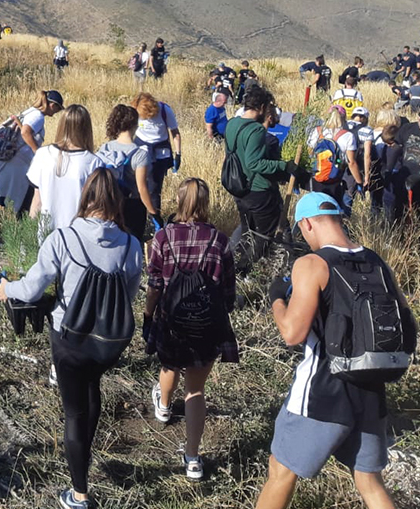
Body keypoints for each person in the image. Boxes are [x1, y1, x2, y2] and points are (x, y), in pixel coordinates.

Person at [253, 192, 415, 509]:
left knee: (280, 472)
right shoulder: (376, 262)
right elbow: (407, 323)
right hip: (371, 389)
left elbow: (292, 333)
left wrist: (276, 298)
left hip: (322, 392)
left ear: (307, 223)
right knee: (369, 482)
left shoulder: (311, 264)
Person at [0, 169, 143, 509]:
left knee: (74, 412)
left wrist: (7, 289)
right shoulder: (132, 246)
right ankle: (85, 456)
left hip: (68, 339)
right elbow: (128, 296)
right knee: (92, 393)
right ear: (117, 202)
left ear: (86, 197)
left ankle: (79, 494)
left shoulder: (62, 239)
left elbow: (32, 288)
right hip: (107, 344)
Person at [144, 179, 237, 481]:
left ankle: (164, 407)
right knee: (197, 389)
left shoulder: (163, 237)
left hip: (172, 321)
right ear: (206, 204)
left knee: (169, 365)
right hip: (206, 324)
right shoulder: (220, 240)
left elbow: (155, 285)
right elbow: (227, 291)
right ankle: (193, 458)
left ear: (179, 200)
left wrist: (148, 315)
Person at [224, 84, 296, 242]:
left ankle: (240, 262)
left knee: (246, 232)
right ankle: (256, 263)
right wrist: (284, 166)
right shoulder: (256, 130)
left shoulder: (232, 123)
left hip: (237, 186)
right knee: (265, 236)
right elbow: (254, 163)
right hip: (257, 189)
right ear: (262, 107)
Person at [27, 104, 102, 238]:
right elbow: (94, 206)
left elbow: (37, 200)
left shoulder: (43, 155)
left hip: (46, 235)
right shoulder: (93, 162)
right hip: (79, 236)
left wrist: (29, 238)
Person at [0, 90, 64, 216]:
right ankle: (1, 218)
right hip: (18, 162)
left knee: (8, 197)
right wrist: (38, 152)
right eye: (58, 108)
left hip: (13, 160)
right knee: (13, 202)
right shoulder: (38, 116)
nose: (57, 112)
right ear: (52, 105)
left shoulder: (31, 112)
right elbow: (25, 132)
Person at [96, 104, 159, 236]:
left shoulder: (104, 149)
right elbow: (142, 189)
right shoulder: (139, 154)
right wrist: (154, 213)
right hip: (132, 208)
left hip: (108, 204)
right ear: (135, 125)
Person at [133, 92, 182, 212]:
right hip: (141, 148)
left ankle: (155, 215)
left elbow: (175, 132)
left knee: (155, 187)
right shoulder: (134, 110)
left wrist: (178, 154)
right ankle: (140, 214)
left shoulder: (165, 110)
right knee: (138, 185)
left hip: (160, 152)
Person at [308, 104, 361, 213]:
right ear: (343, 118)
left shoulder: (316, 132)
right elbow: (351, 162)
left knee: (316, 208)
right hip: (335, 177)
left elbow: (309, 154)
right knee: (334, 209)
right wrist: (359, 181)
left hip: (316, 177)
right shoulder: (348, 136)